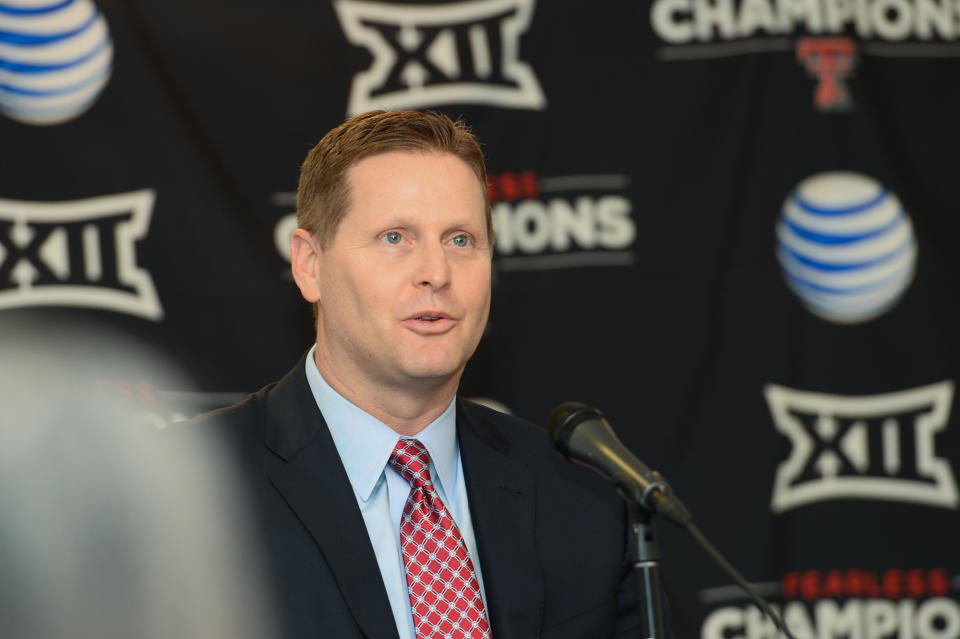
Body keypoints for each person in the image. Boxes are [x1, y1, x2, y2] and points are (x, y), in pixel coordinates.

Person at [197, 110, 655, 638]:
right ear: (309, 264)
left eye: (461, 240)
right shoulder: (192, 489)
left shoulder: (584, 500)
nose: (436, 273)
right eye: (396, 238)